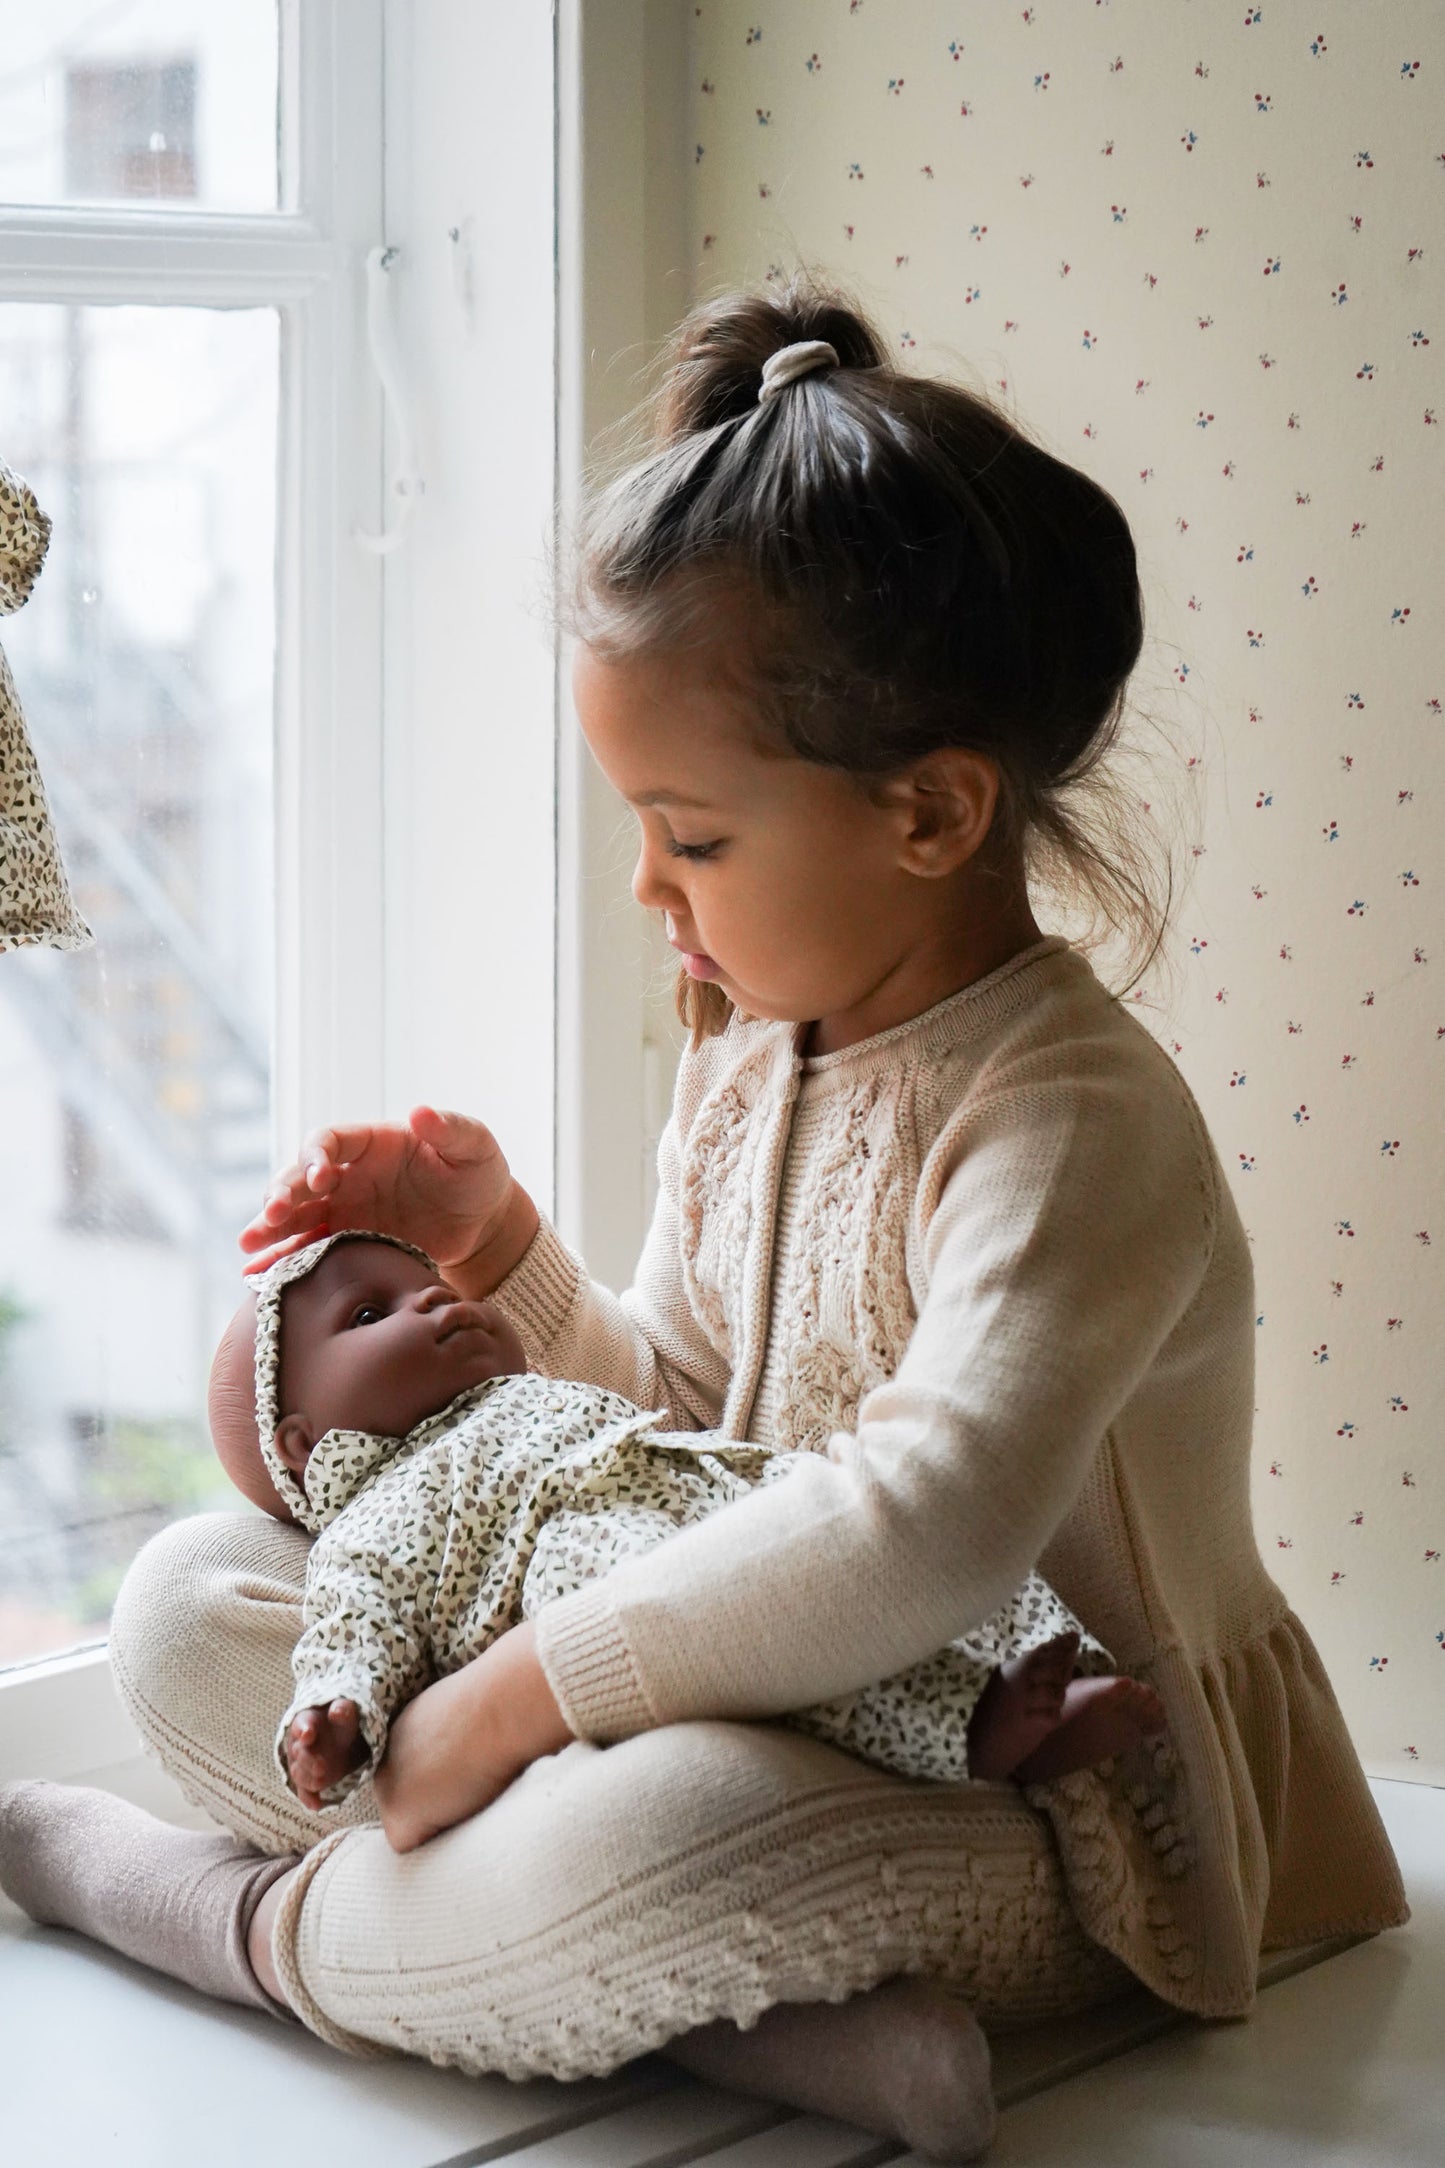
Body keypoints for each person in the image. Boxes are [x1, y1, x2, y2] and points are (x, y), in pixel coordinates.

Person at [0, 281, 1406, 2163]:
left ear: (932, 810)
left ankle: (223, 1918)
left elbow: (921, 1523)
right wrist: (508, 1257)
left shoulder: (1071, 1117)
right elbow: (671, 1414)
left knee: (657, 1838)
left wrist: (513, 1697)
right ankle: (743, 2021)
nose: (653, 887)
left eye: (697, 836)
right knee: (186, 1605)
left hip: (1051, 1789)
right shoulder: (754, 1046)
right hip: (753, 1698)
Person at [207, 1229, 1164, 1816]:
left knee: (858, 1519)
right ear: (299, 1443)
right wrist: (333, 1710)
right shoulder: (372, 1517)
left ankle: (1039, 1649)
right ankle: (969, 1727)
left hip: (703, 1493)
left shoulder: (519, 1392)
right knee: (761, 1629)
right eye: (371, 1312)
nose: (430, 1297)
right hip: (591, 1575)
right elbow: (353, 1620)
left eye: (438, 1286)